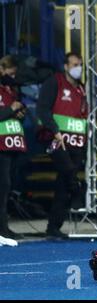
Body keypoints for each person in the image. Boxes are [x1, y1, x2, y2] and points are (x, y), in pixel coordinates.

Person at [36, 52, 88, 239]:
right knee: (68, 172)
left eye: (80, 64)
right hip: (56, 139)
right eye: (75, 64)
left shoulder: (81, 89)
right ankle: (79, 192)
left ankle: (53, 227)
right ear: (66, 66)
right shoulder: (54, 83)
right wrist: (54, 130)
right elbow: (42, 108)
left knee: (62, 185)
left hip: (77, 141)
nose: (78, 68)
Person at [0, 55, 27, 240]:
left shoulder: (10, 89)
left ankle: (4, 228)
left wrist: (19, 113)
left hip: (12, 144)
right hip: (1, 145)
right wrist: (12, 109)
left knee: (7, 187)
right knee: (3, 186)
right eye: (10, 71)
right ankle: (2, 229)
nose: (13, 75)